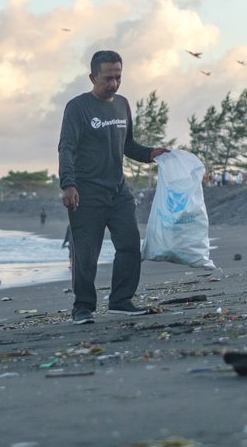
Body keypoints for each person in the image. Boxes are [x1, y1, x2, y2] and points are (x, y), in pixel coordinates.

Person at [58, 50, 169, 324]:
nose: (114, 84)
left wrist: (152, 153)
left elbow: (128, 145)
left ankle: (121, 301)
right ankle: (82, 307)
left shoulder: (122, 104)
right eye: (108, 78)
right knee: (86, 256)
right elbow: (67, 148)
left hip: (118, 191)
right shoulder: (77, 108)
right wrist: (68, 185)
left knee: (130, 246)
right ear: (93, 76)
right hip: (86, 194)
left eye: (118, 77)